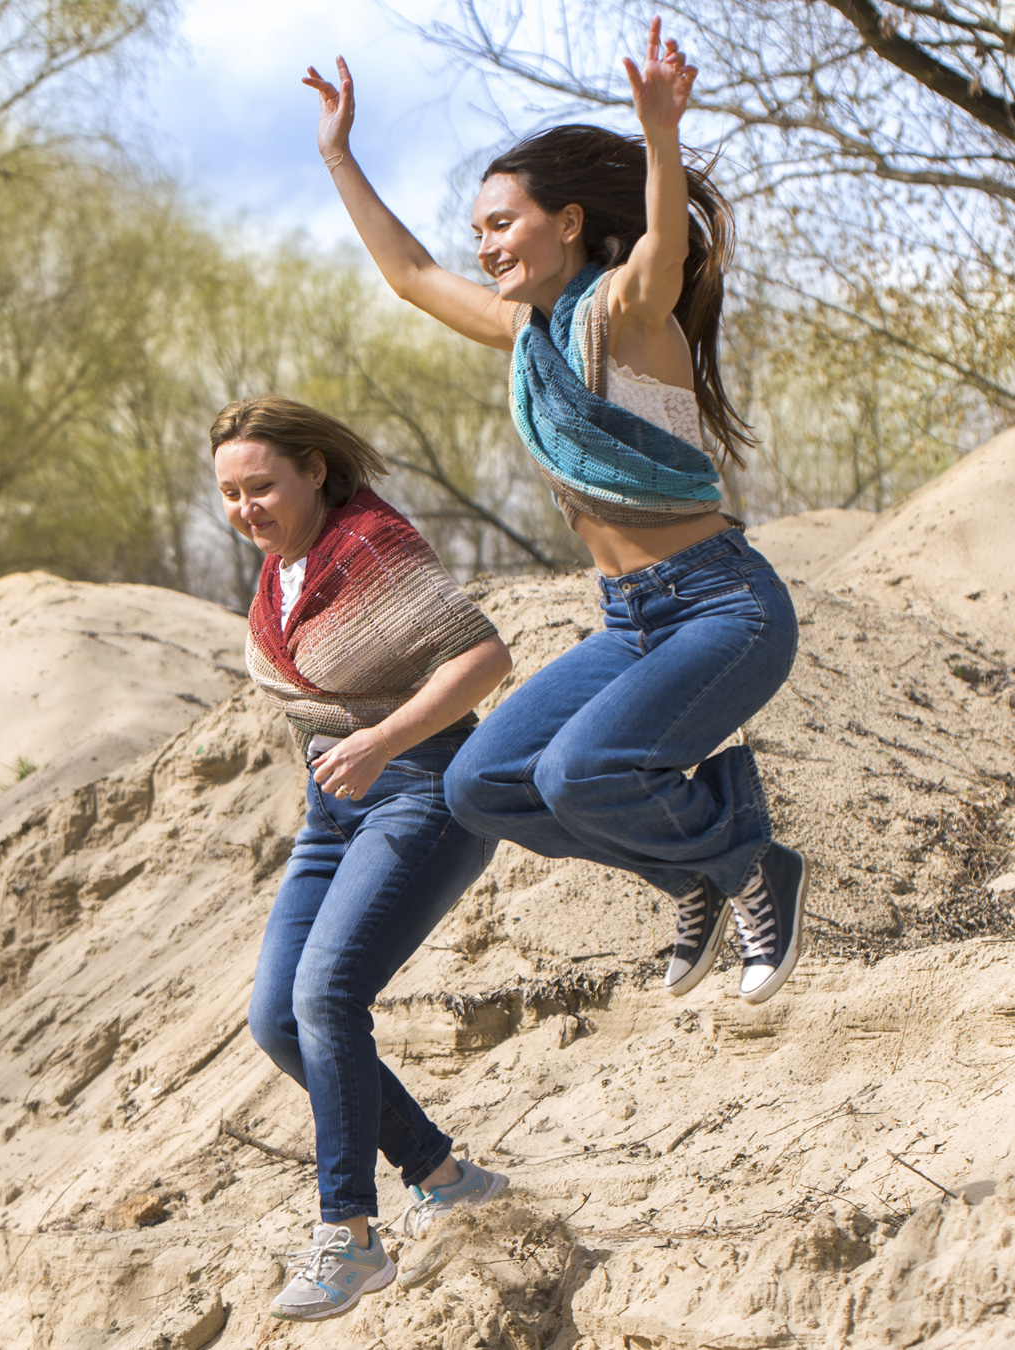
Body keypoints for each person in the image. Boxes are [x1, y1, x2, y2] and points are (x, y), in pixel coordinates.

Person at [303, 14, 806, 1007]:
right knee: (483, 783)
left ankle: (751, 864)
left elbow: (665, 245)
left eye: (502, 223)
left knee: (582, 772)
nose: (485, 245)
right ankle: (692, 874)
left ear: (568, 221)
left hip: (722, 610)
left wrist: (660, 133)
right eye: (479, 230)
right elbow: (406, 276)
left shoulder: (624, 310)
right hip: (630, 624)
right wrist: (337, 155)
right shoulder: (525, 334)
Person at [212, 396, 512, 1321]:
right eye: (228, 493)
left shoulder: (370, 547)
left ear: (313, 469)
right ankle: (444, 1175)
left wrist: (382, 738)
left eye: (261, 485)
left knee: (326, 995)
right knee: (276, 1018)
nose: (245, 508)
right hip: (331, 807)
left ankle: (349, 1236)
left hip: (421, 784)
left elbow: (483, 657)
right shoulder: (280, 575)